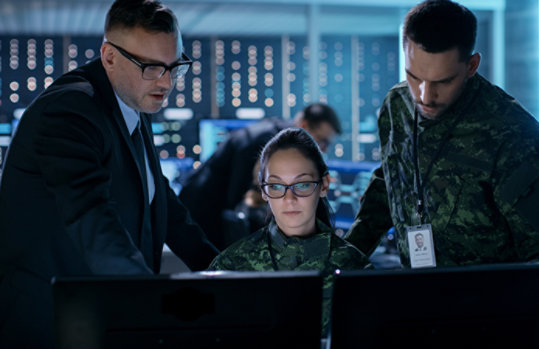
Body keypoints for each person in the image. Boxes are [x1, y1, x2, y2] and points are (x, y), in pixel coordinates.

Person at [0, 0, 218, 347]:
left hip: (98, 319)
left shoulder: (133, 101)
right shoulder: (68, 111)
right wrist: (150, 302)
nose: (166, 81)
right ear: (109, 56)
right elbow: (92, 217)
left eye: (175, 66)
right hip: (50, 326)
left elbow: (159, 199)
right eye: (150, 67)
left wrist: (222, 270)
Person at [346, 0, 539, 268]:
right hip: (414, 291)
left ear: (471, 66)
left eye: (443, 81)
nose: (425, 96)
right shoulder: (397, 105)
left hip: (487, 300)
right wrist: (345, 259)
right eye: (414, 77)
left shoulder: (513, 134)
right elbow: (389, 181)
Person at [208, 128, 369, 337]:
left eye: (302, 184)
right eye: (276, 186)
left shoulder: (355, 269)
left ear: (324, 185)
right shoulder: (230, 268)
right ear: (263, 190)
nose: (289, 199)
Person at [180, 103, 342, 250]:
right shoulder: (265, 144)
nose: (323, 150)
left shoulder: (275, 135)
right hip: (200, 216)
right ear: (304, 125)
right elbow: (238, 202)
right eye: (322, 141)